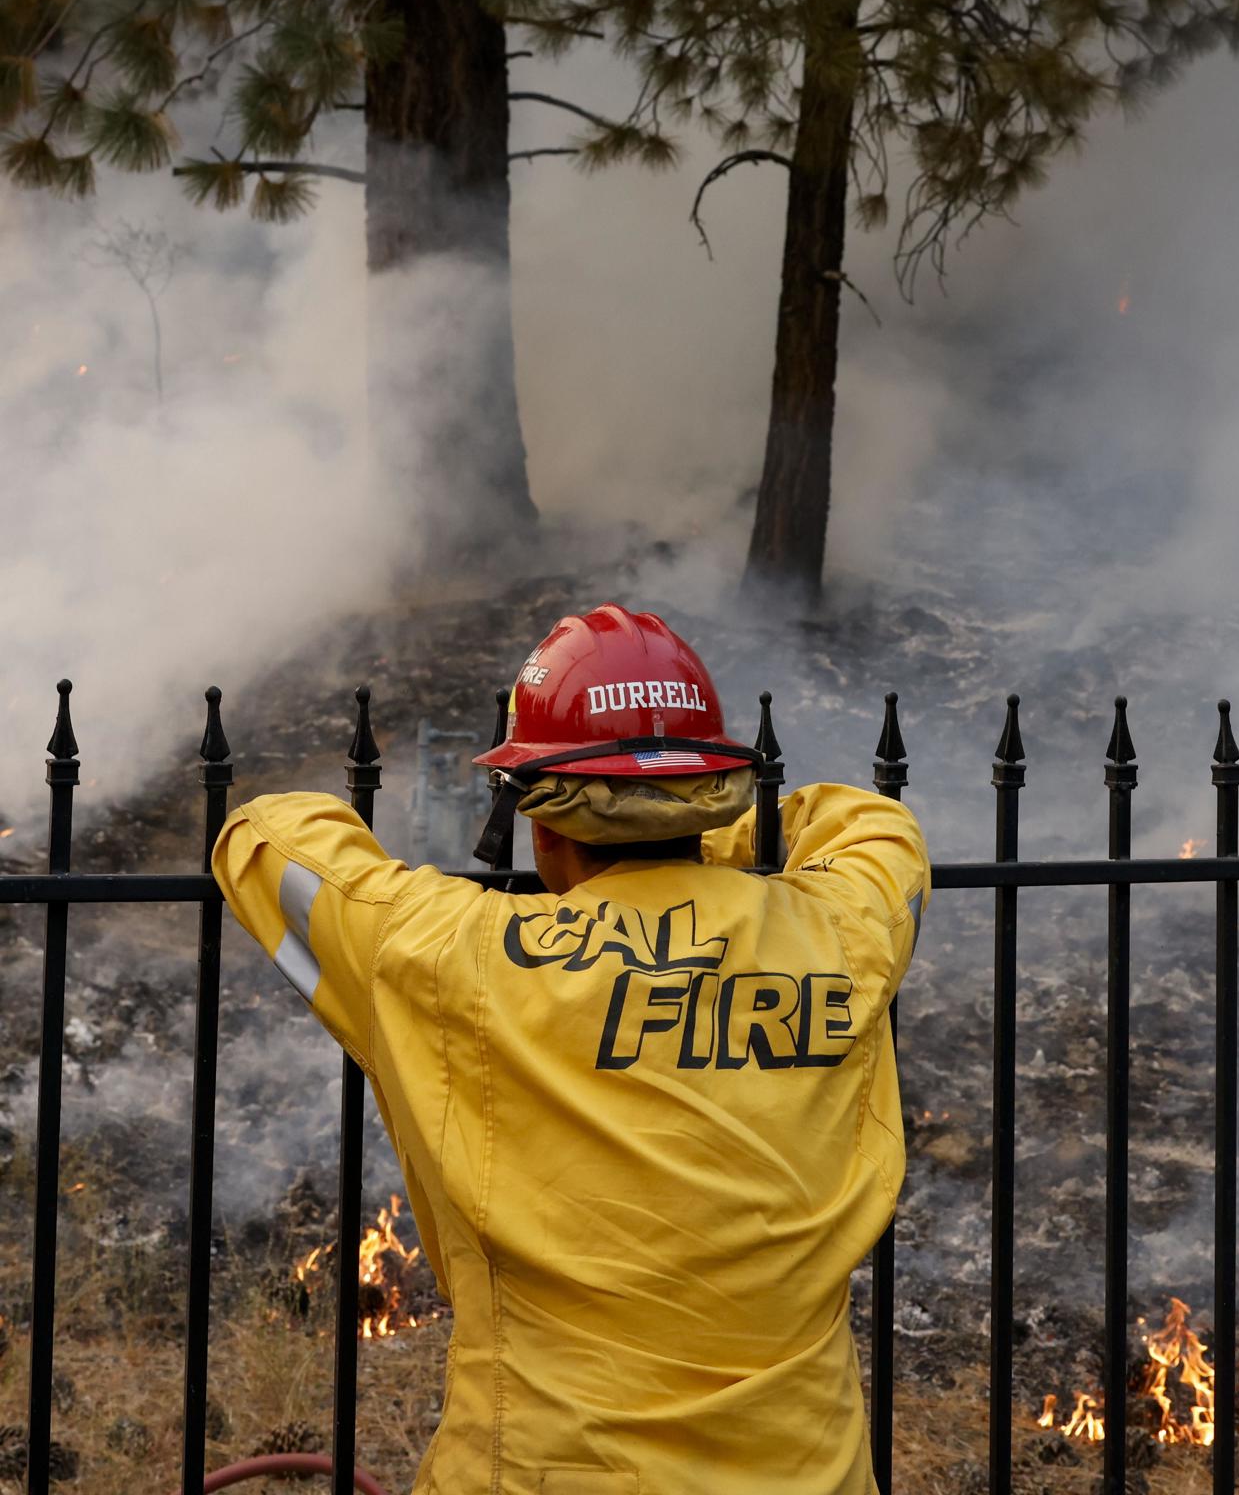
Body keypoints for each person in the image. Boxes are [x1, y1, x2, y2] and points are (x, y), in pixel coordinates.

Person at [213, 602, 929, 1495]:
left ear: (540, 823)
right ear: (709, 797)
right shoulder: (837, 934)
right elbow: (870, 828)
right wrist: (718, 848)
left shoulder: (455, 953)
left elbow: (264, 835)